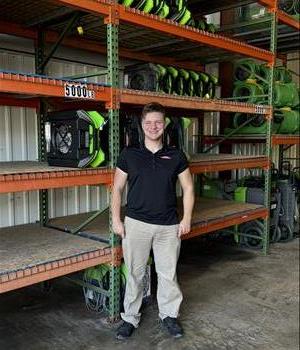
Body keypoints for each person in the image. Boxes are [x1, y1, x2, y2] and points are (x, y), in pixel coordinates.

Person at [111, 102, 194, 340]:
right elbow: (117, 188)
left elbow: (188, 188)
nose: (153, 127)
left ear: (165, 124)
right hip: (136, 224)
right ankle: (130, 318)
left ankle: (169, 316)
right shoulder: (129, 154)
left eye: (158, 122)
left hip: (168, 225)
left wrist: (186, 218)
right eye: (148, 123)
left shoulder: (176, 155)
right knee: (135, 273)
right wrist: (116, 220)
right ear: (142, 125)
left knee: (168, 274)